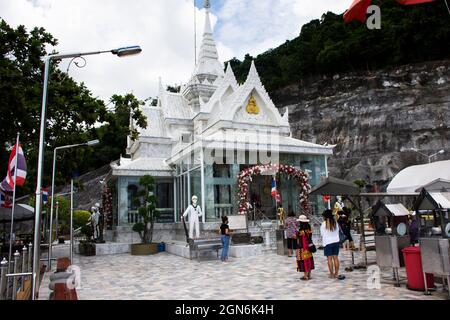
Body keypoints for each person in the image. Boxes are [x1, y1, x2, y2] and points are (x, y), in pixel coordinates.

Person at [320, 210, 345, 280]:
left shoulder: (323, 224)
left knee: (329, 259)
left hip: (327, 243)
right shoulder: (336, 223)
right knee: (336, 258)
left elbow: (322, 234)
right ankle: (336, 274)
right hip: (336, 242)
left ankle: (331, 274)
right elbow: (338, 232)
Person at [296, 215, 315, 280]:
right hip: (309, 247)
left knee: (304, 261)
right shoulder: (308, 229)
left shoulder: (301, 231)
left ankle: (305, 276)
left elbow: (299, 238)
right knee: (309, 260)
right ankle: (309, 275)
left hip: (303, 248)